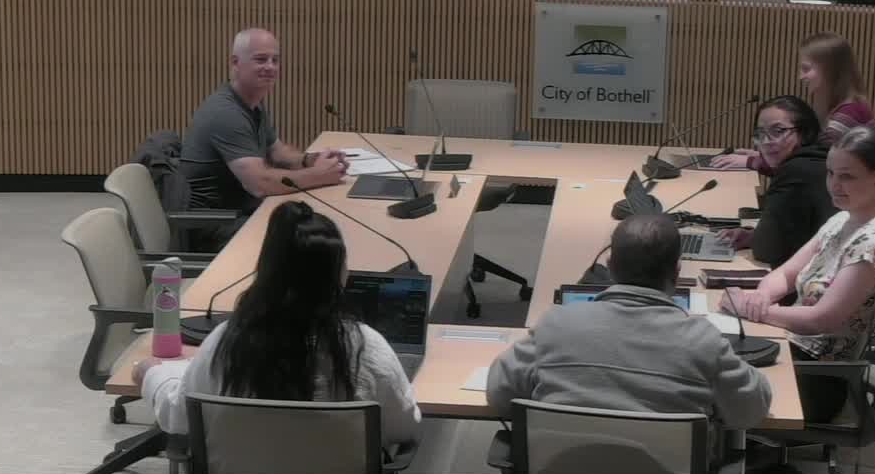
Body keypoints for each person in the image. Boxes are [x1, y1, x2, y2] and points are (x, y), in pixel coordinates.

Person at [133, 201, 421, 447]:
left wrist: (153, 375)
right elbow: (404, 428)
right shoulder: (364, 346)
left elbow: (180, 416)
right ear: (338, 275)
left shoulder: (227, 343)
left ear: (266, 269)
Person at [487, 213, 773, 429]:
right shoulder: (703, 341)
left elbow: (499, 392)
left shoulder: (556, 324)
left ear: (610, 267)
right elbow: (751, 410)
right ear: (677, 271)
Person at [719, 126, 875, 420]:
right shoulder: (843, 218)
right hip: (789, 346)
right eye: (830, 173)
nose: (834, 185)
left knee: (701, 375)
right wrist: (761, 296)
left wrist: (753, 311)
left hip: (814, 377)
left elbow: (821, 319)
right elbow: (786, 274)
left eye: (847, 176)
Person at [180, 28, 349, 216]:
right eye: (261, 59)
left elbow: (277, 152)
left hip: (246, 211)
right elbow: (259, 184)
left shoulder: (253, 103)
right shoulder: (225, 112)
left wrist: (310, 160)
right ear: (235, 63)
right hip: (218, 222)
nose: (270, 67)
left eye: (275, 60)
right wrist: (319, 175)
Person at [712, 32, 875, 172]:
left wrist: (753, 162)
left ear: (830, 70)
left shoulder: (848, 114)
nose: (801, 77)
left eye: (806, 69)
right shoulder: (843, 107)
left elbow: (814, 168)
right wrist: (767, 156)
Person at [716, 95, 837, 267]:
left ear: (804, 133)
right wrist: (752, 236)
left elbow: (767, 250)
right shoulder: (818, 159)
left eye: (778, 131)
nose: (766, 142)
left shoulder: (796, 171)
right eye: (760, 133)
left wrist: (757, 239)